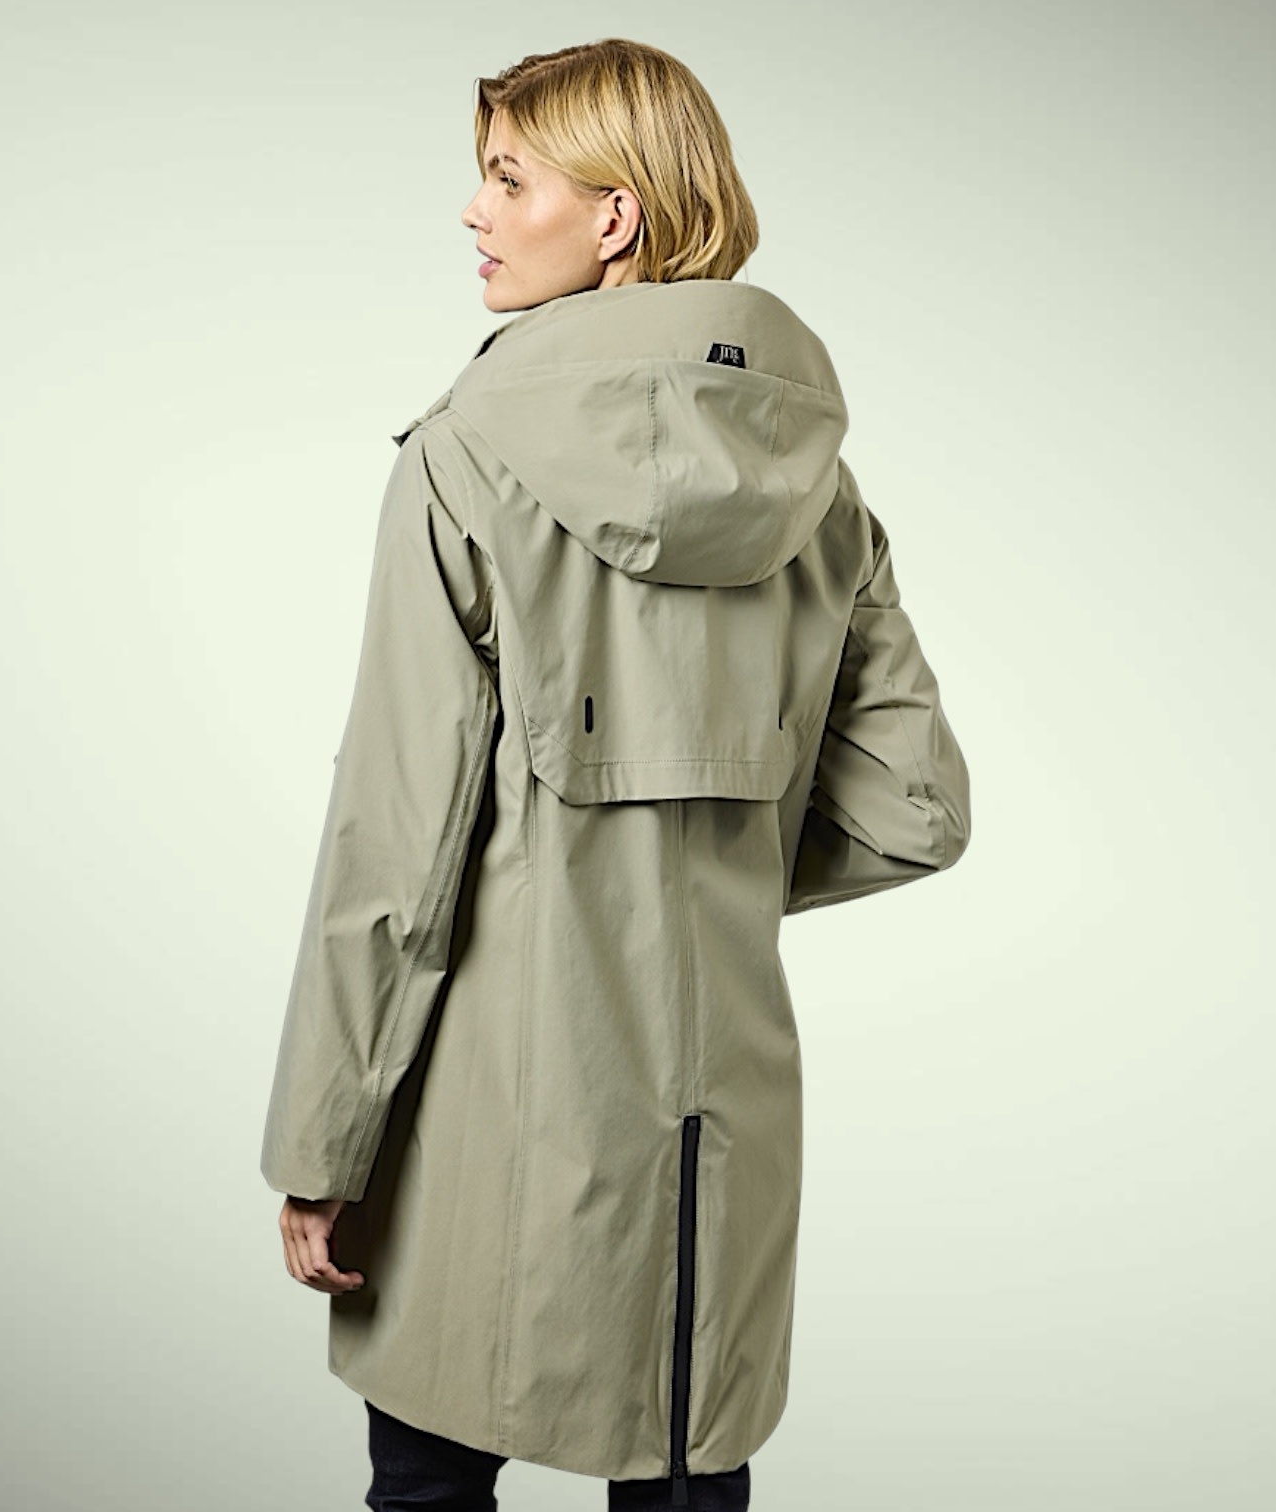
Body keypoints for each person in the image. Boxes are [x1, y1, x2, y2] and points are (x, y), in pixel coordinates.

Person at [261, 36, 972, 1512]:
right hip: (727, 1128)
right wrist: (717, 855)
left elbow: (399, 841)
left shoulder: (461, 458)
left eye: (508, 178)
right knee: (687, 1469)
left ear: (616, 217)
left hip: (487, 1113)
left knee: (432, 1479)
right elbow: (916, 810)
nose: (474, 210)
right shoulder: (823, 493)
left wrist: (323, 1143)